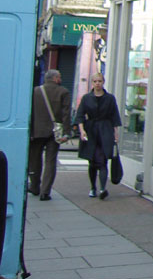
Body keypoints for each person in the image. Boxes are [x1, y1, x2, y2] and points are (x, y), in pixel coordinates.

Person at [74, 72, 121, 200]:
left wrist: (116, 133)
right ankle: (93, 187)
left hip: (105, 130)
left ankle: (102, 188)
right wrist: (82, 130)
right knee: (92, 161)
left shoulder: (110, 98)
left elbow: (114, 116)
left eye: (99, 81)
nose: (97, 84)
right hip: (91, 130)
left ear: (103, 82)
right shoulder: (86, 98)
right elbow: (80, 115)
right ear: (92, 83)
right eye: (95, 81)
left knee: (103, 159)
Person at [28, 69, 71, 201]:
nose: (61, 79)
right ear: (55, 78)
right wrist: (67, 132)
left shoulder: (35, 91)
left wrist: (30, 130)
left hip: (37, 131)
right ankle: (45, 192)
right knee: (50, 161)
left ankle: (34, 186)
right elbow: (66, 114)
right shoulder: (63, 92)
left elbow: (30, 111)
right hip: (54, 133)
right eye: (60, 77)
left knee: (35, 160)